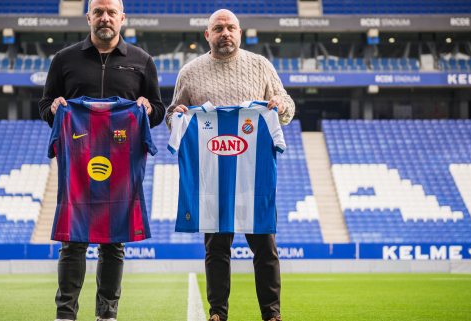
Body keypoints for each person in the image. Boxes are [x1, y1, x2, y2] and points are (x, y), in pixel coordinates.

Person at [38, 0, 165, 320]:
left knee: (113, 244)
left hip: (122, 166)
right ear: (89, 18)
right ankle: (65, 314)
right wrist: (54, 109)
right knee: (72, 241)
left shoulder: (142, 61)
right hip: (78, 165)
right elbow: (43, 107)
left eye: (111, 12)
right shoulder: (63, 59)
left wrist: (147, 109)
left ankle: (106, 315)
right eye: (99, 12)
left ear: (122, 18)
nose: (105, 18)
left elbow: (159, 111)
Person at [165, 9, 295, 321]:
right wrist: (177, 114)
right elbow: (172, 117)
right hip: (213, 176)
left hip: (253, 175)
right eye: (219, 28)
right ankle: (218, 314)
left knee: (265, 248)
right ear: (207, 35)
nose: (226, 33)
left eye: (231, 28)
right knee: (217, 250)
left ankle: (272, 314)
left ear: (240, 33)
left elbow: (287, 108)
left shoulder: (261, 65)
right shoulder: (190, 72)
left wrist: (281, 106)